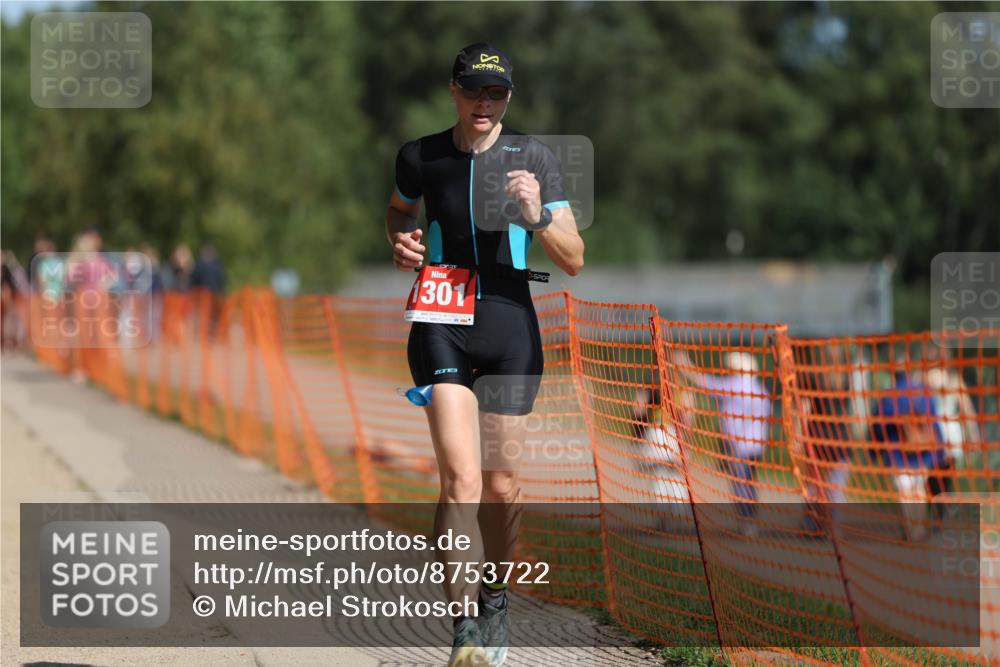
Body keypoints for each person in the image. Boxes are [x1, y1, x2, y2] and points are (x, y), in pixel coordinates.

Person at [387, 43, 584, 667]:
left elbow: (574, 257)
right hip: (441, 321)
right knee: (462, 480)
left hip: (509, 328)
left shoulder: (535, 158)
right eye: (473, 89)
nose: (484, 102)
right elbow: (399, 211)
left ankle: (495, 593)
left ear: (508, 99)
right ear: (453, 89)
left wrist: (536, 216)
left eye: (495, 93)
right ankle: (466, 629)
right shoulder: (421, 155)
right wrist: (401, 242)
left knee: (500, 485)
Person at [672, 349, 771, 537]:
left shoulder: (734, 385)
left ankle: (747, 521)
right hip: (756, 445)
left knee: (740, 484)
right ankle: (749, 520)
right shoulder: (761, 389)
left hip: (738, 445)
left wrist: (685, 364)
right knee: (748, 482)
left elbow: (703, 382)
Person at [869, 365, 947, 541]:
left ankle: (912, 530)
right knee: (918, 490)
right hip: (924, 454)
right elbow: (935, 423)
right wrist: (939, 450)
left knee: (906, 492)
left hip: (898, 455)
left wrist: (874, 451)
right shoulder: (924, 393)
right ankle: (918, 528)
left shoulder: (889, 397)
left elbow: (878, 426)